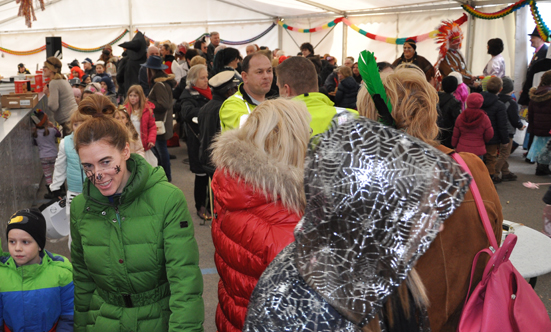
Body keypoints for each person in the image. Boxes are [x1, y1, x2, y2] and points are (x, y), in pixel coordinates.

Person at [243, 109, 473, 332]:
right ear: (376, 216)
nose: (439, 225)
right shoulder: (298, 308)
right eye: (421, 212)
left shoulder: (376, 265)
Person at [357, 63, 503, 331]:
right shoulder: (471, 166)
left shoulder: (360, 188)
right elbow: (494, 238)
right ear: (428, 110)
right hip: (470, 319)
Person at [70, 94, 204, 331]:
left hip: (158, 321)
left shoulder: (167, 199)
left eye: (105, 162)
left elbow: (185, 283)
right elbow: (83, 282)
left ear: (125, 151)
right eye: (88, 167)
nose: (97, 175)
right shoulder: (81, 208)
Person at [211, 98, 311, 332]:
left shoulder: (232, 187)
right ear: (292, 141)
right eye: (308, 131)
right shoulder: (290, 224)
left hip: (233, 316)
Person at [1, 208, 74, 332]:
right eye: (12, 241)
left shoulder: (62, 273)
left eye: (25, 242)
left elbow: (69, 314)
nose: (17, 248)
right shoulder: (2, 275)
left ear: (39, 244)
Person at [276, 56, 357, 136]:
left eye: (279, 87)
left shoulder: (277, 126)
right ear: (316, 82)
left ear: (287, 89)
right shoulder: (353, 117)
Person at [50, 110, 91, 246]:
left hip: (94, 191)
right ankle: (74, 257)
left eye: (83, 123)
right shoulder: (65, 143)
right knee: (72, 224)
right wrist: (56, 188)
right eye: (75, 124)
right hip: (74, 191)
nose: (79, 127)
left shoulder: (95, 142)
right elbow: (60, 166)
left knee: (92, 223)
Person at [179, 65, 212, 219]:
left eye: (207, 77)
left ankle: (212, 206)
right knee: (201, 177)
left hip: (211, 140)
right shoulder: (188, 95)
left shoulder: (211, 92)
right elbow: (186, 113)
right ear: (193, 80)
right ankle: (200, 206)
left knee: (213, 176)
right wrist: (209, 112)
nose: (206, 80)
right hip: (198, 143)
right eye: (203, 78)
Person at [198, 71, 240, 178]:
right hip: (218, 161)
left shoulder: (204, 108)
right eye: (235, 88)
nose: (236, 91)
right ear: (228, 91)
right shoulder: (227, 109)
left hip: (205, 157)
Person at [142, 55, 176, 182]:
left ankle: (166, 177)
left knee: (162, 152)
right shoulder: (163, 83)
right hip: (162, 122)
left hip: (159, 123)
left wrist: (148, 102)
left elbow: (164, 104)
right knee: (162, 150)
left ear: (151, 69)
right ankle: (166, 176)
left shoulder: (158, 85)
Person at [219, 52, 272, 131]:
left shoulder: (271, 103)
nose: (266, 76)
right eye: (259, 72)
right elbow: (248, 130)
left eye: (269, 71)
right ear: (245, 77)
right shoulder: (231, 105)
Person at [480, 77, 509, 183]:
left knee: (479, 157)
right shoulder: (500, 105)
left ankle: (478, 177)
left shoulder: (478, 101)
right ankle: (489, 179)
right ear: (500, 89)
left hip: (478, 135)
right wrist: (505, 140)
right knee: (491, 157)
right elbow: (502, 125)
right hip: (493, 137)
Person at [496, 76, 525, 181]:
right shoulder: (511, 103)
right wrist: (520, 125)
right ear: (511, 89)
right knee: (505, 153)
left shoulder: (496, 99)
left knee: (502, 152)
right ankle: (494, 173)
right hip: (508, 132)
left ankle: (506, 172)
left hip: (496, 130)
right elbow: (514, 118)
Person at [123, 85, 158, 167]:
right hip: (130, 142)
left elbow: (152, 127)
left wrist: (151, 140)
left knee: (146, 164)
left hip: (143, 142)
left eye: (135, 96)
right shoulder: (125, 110)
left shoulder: (147, 110)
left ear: (140, 96)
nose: (132, 98)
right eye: (130, 95)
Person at [435, 16, 476, 86]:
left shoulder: (457, 53)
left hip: (461, 87)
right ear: (448, 42)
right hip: (452, 88)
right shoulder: (445, 56)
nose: (458, 43)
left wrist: (470, 76)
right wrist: (469, 78)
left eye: (459, 41)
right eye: (455, 41)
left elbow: (464, 69)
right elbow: (453, 73)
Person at [43, 56, 78, 136]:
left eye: (45, 67)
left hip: (68, 122)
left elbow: (53, 106)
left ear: (51, 69)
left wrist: (48, 94)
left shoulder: (54, 83)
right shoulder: (62, 80)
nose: (43, 69)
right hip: (73, 118)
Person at [452, 93, 494, 158]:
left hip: (462, 150)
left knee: (463, 168)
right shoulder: (484, 118)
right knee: (477, 167)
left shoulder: (460, 117)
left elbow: (456, 134)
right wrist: (483, 140)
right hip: (478, 150)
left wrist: (454, 145)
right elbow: (490, 134)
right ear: (481, 103)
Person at [32, 109, 61, 199]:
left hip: (43, 157)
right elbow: (59, 134)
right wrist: (53, 126)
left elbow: (35, 143)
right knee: (56, 172)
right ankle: (59, 190)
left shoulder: (35, 133)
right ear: (46, 122)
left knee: (47, 174)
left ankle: (50, 193)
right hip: (53, 155)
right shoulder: (52, 131)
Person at [526, 71, 551, 175]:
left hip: (537, 126)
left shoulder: (534, 94)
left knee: (540, 147)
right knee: (548, 148)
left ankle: (540, 166)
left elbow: (530, 113)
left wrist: (531, 126)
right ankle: (544, 167)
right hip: (549, 127)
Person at [519, 28, 550, 106]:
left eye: (533, 37)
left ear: (541, 39)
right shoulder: (538, 53)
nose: (530, 40)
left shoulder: (545, 53)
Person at [118, 31, 148, 98]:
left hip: (129, 93)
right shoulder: (146, 61)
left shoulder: (126, 61)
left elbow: (119, 78)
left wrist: (124, 88)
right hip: (143, 93)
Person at [437, 75, 462, 148]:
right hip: (449, 135)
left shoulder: (435, 98)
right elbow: (457, 121)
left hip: (436, 132)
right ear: (455, 87)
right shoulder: (454, 102)